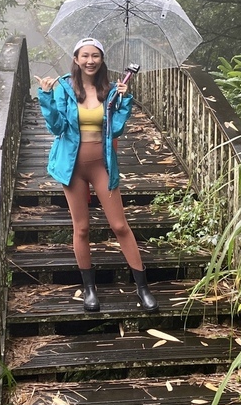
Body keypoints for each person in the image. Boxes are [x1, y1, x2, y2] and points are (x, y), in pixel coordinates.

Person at [34, 37, 157, 313]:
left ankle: (142, 287)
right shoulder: (64, 88)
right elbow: (56, 128)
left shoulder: (112, 90)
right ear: (76, 59)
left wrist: (124, 101)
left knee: (120, 226)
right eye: (85, 56)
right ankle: (89, 289)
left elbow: (115, 131)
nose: (90, 61)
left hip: (103, 164)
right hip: (72, 166)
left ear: (102, 60)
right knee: (82, 228)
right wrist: (45, 96)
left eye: (96, 56)